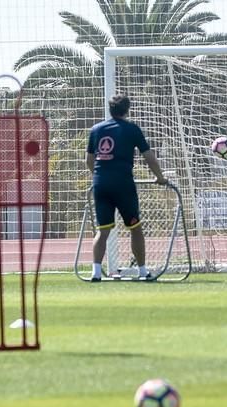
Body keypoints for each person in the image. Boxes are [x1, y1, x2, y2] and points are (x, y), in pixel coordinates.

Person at [86, 94, 168, 282]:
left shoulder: (96, 129)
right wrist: (160, 178)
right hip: (123, 184)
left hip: (101, 184)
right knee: (135, 228)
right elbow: (149, 156)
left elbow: (89, 160)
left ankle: (96, 273)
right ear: (127, 109)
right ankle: (142, 271)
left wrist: (100, 176)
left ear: (110, 109)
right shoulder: (132, 129)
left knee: (103, 230)